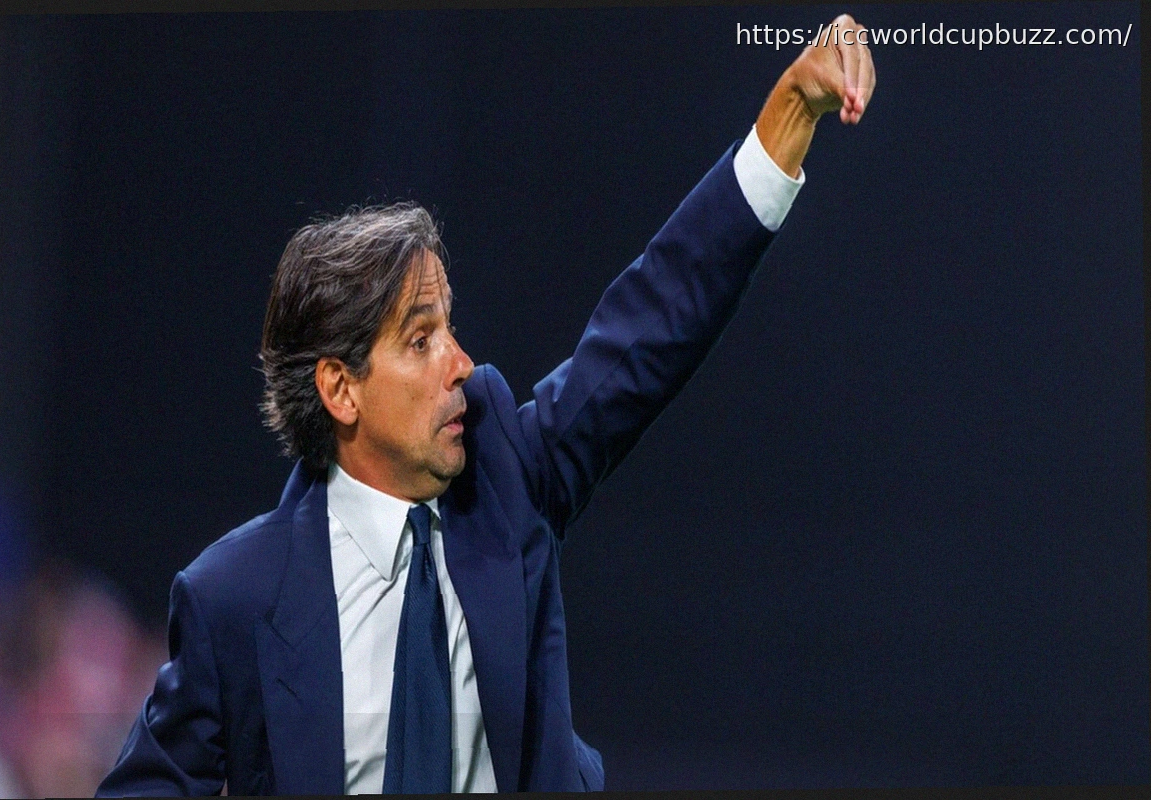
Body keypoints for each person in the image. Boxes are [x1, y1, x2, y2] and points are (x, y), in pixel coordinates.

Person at [98, 14, 875, 796]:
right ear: (340, 389)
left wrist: (788, 113)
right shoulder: (234, 597)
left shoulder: (506, 479)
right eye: (420, 339)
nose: (461, 363)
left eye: (449, 327)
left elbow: (651, 325)